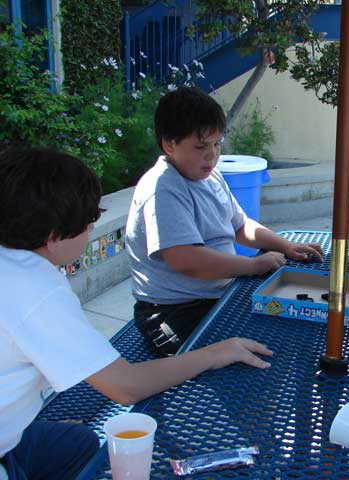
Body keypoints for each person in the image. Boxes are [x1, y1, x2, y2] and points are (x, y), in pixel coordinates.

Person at [0, 148, 275, 479]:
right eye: (88, 222)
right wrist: (215, 353)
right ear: (53, 236)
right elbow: (125, 387)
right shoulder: (35, 288)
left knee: (76, 442)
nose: (91, 229)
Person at [126, 86, 324, 357]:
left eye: (217, 143)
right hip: (174, 312)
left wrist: (285, 246)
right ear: (169, 144)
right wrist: (253, 265)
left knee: (290, 328)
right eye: (200, 146)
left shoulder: (210, 175)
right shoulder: (162, 188)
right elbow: (186, 260)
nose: (212, 155)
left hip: (218, 294)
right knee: (255, 354)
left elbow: (241, 226)